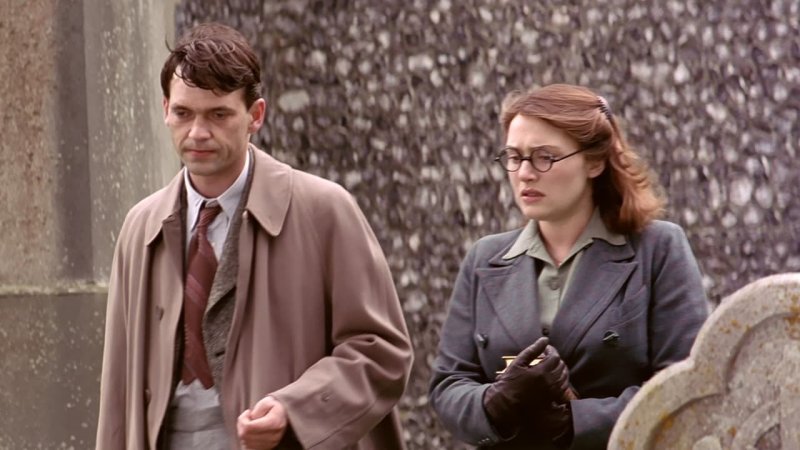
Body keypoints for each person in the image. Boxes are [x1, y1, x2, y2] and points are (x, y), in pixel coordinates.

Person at [96, 22, 413, 450]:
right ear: (165, 109)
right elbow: (118, 388)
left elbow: (381, 350)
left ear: (256, 116)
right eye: (184, 113)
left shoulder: (324, 210)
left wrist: (294, 411)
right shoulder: (141, 227)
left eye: (219, 114)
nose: (198, 132)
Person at [428, 84, 709, 449]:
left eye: (544, 157)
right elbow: (449, 384)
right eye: (514, 157)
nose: (525, 173)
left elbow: (684, 385)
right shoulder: (485, 258)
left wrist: (575, 423)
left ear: (595, 162)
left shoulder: (657, 249)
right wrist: (494, 403)